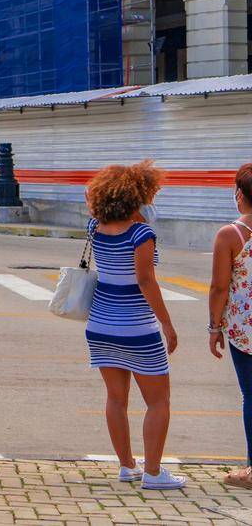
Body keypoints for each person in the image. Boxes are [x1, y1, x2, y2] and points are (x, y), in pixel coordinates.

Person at [85, 160, 183, 490]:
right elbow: (145, 280)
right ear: (139, 196)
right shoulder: (142, 234)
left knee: (116, 399)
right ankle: (154, 472)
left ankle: (127, 466)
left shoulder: (93, 227)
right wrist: (167, 324)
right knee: (158, 401)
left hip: (100, 325)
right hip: (137, 329)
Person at [208, 162, 252, 489]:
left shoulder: (230, 235)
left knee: (251, 396)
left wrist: (214, 328)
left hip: (244, 330)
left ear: (240, 194)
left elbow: (219, 287)